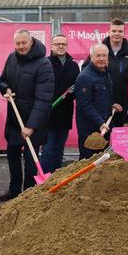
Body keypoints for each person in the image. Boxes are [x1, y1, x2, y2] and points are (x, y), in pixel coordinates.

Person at [0, 30, 54, 201]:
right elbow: (3, 79)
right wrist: (5, 89)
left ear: (31, 42)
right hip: (15, 119)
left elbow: (44, 98)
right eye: (18, 43)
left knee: (31, 162)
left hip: (33, 124)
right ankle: (14, 191)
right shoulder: (11, 58)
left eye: (24, 43)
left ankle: (27, 195)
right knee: (12, 156)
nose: (21, 47)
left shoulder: (43, 64)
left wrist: (32, 125)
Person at [40, 34, 80, 173]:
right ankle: (44, 181)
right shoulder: (45, 63)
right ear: (51, 46)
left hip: (65, 114)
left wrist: (71, 94)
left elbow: (77, 88)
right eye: (57, 44)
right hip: (49, 115)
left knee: (58, 151)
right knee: (48, 150)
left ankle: (56, 180)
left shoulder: (73, 65)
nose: (61, 46)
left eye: (63, 44)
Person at [75, 44, 122, 160]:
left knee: (102, 163)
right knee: (88, 163)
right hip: (90, 130)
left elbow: (102, 97)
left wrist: (112, 105)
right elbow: (84, 105)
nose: (101, 58)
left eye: (104, 56)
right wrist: (100, 123)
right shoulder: (85, 77)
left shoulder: (106, 73)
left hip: (104, 127)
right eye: (98, 56)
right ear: (91, 57)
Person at [102, 18, 128, 126]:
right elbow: (87, 70)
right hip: (104, 104)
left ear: (124, 33)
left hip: (125, 106)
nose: (116, 34)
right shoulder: (99, 52)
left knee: (122, 141)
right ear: (109, 32)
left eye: (120, 31)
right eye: (114, 31)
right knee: (103, 141)